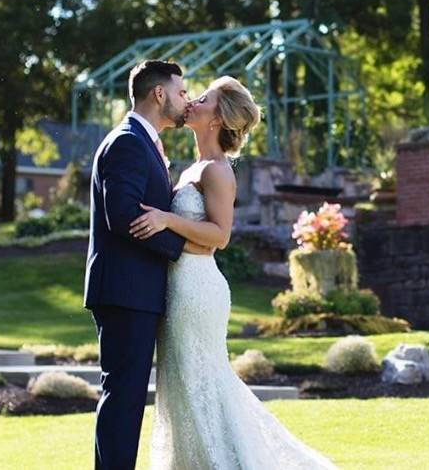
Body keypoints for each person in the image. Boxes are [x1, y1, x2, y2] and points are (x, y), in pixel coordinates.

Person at [129, 75, 336, 469]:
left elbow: (219, 236)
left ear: (217, 120)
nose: (191, 101)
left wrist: (165, 221)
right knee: (182, 390)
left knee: (201, 384)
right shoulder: (194, 168)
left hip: (197, 290)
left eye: (203, 99)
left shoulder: (218, 171)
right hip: (177, 286)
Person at [83, 60, 206, 469]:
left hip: (136, 292)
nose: (186, 99)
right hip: (124, 291)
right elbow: (122, 214)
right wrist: (184, 247)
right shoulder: (127, 142)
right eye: (182, 91)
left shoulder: (144, 141)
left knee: (128, 398)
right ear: (160, 94)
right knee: (124, 398)